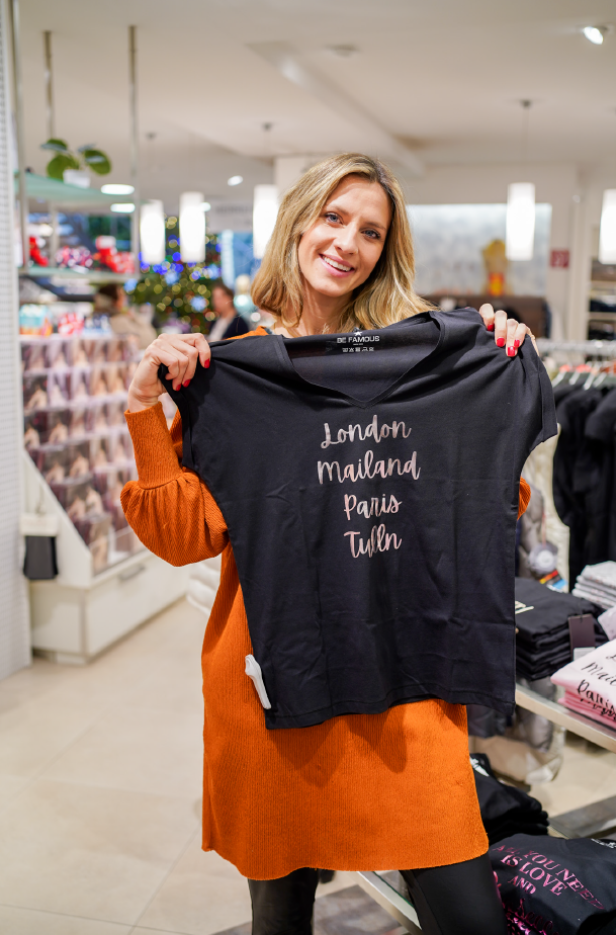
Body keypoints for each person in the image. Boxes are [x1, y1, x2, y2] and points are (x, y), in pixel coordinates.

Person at [121, 153, 535, 935]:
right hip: (277, 686)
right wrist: (147, 410)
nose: (348, 242)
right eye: (334, 217)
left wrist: (492, 394)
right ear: (299, 224)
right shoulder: (233, 374)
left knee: (466, 910)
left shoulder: (435, 369)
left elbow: (490, 508)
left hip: (407, 685)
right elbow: (183, 537)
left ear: (387, 249)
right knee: (281, 917)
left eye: (371, 231)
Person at [94, 283, 156, 349]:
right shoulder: (119, 321)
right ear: (115, 302)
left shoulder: (100, 320)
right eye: (121, 295)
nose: (124, 298)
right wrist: (135, 317)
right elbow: (150, 340)